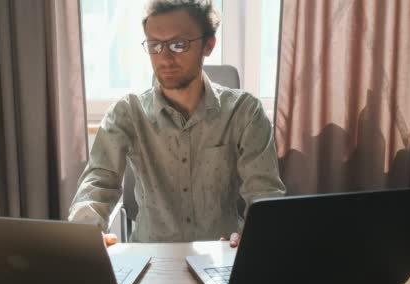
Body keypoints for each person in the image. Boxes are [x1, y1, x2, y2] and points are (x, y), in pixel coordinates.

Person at [69, 0, 285, 248]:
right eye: (155, 45)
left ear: (208, 45)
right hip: (150, 258)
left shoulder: (245, 112)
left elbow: (265, 194)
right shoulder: (127, 113)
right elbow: (98, 182)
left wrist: (254, 235)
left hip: (223, 255)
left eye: (178, 45)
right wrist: (86, 234)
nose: (165, 58)